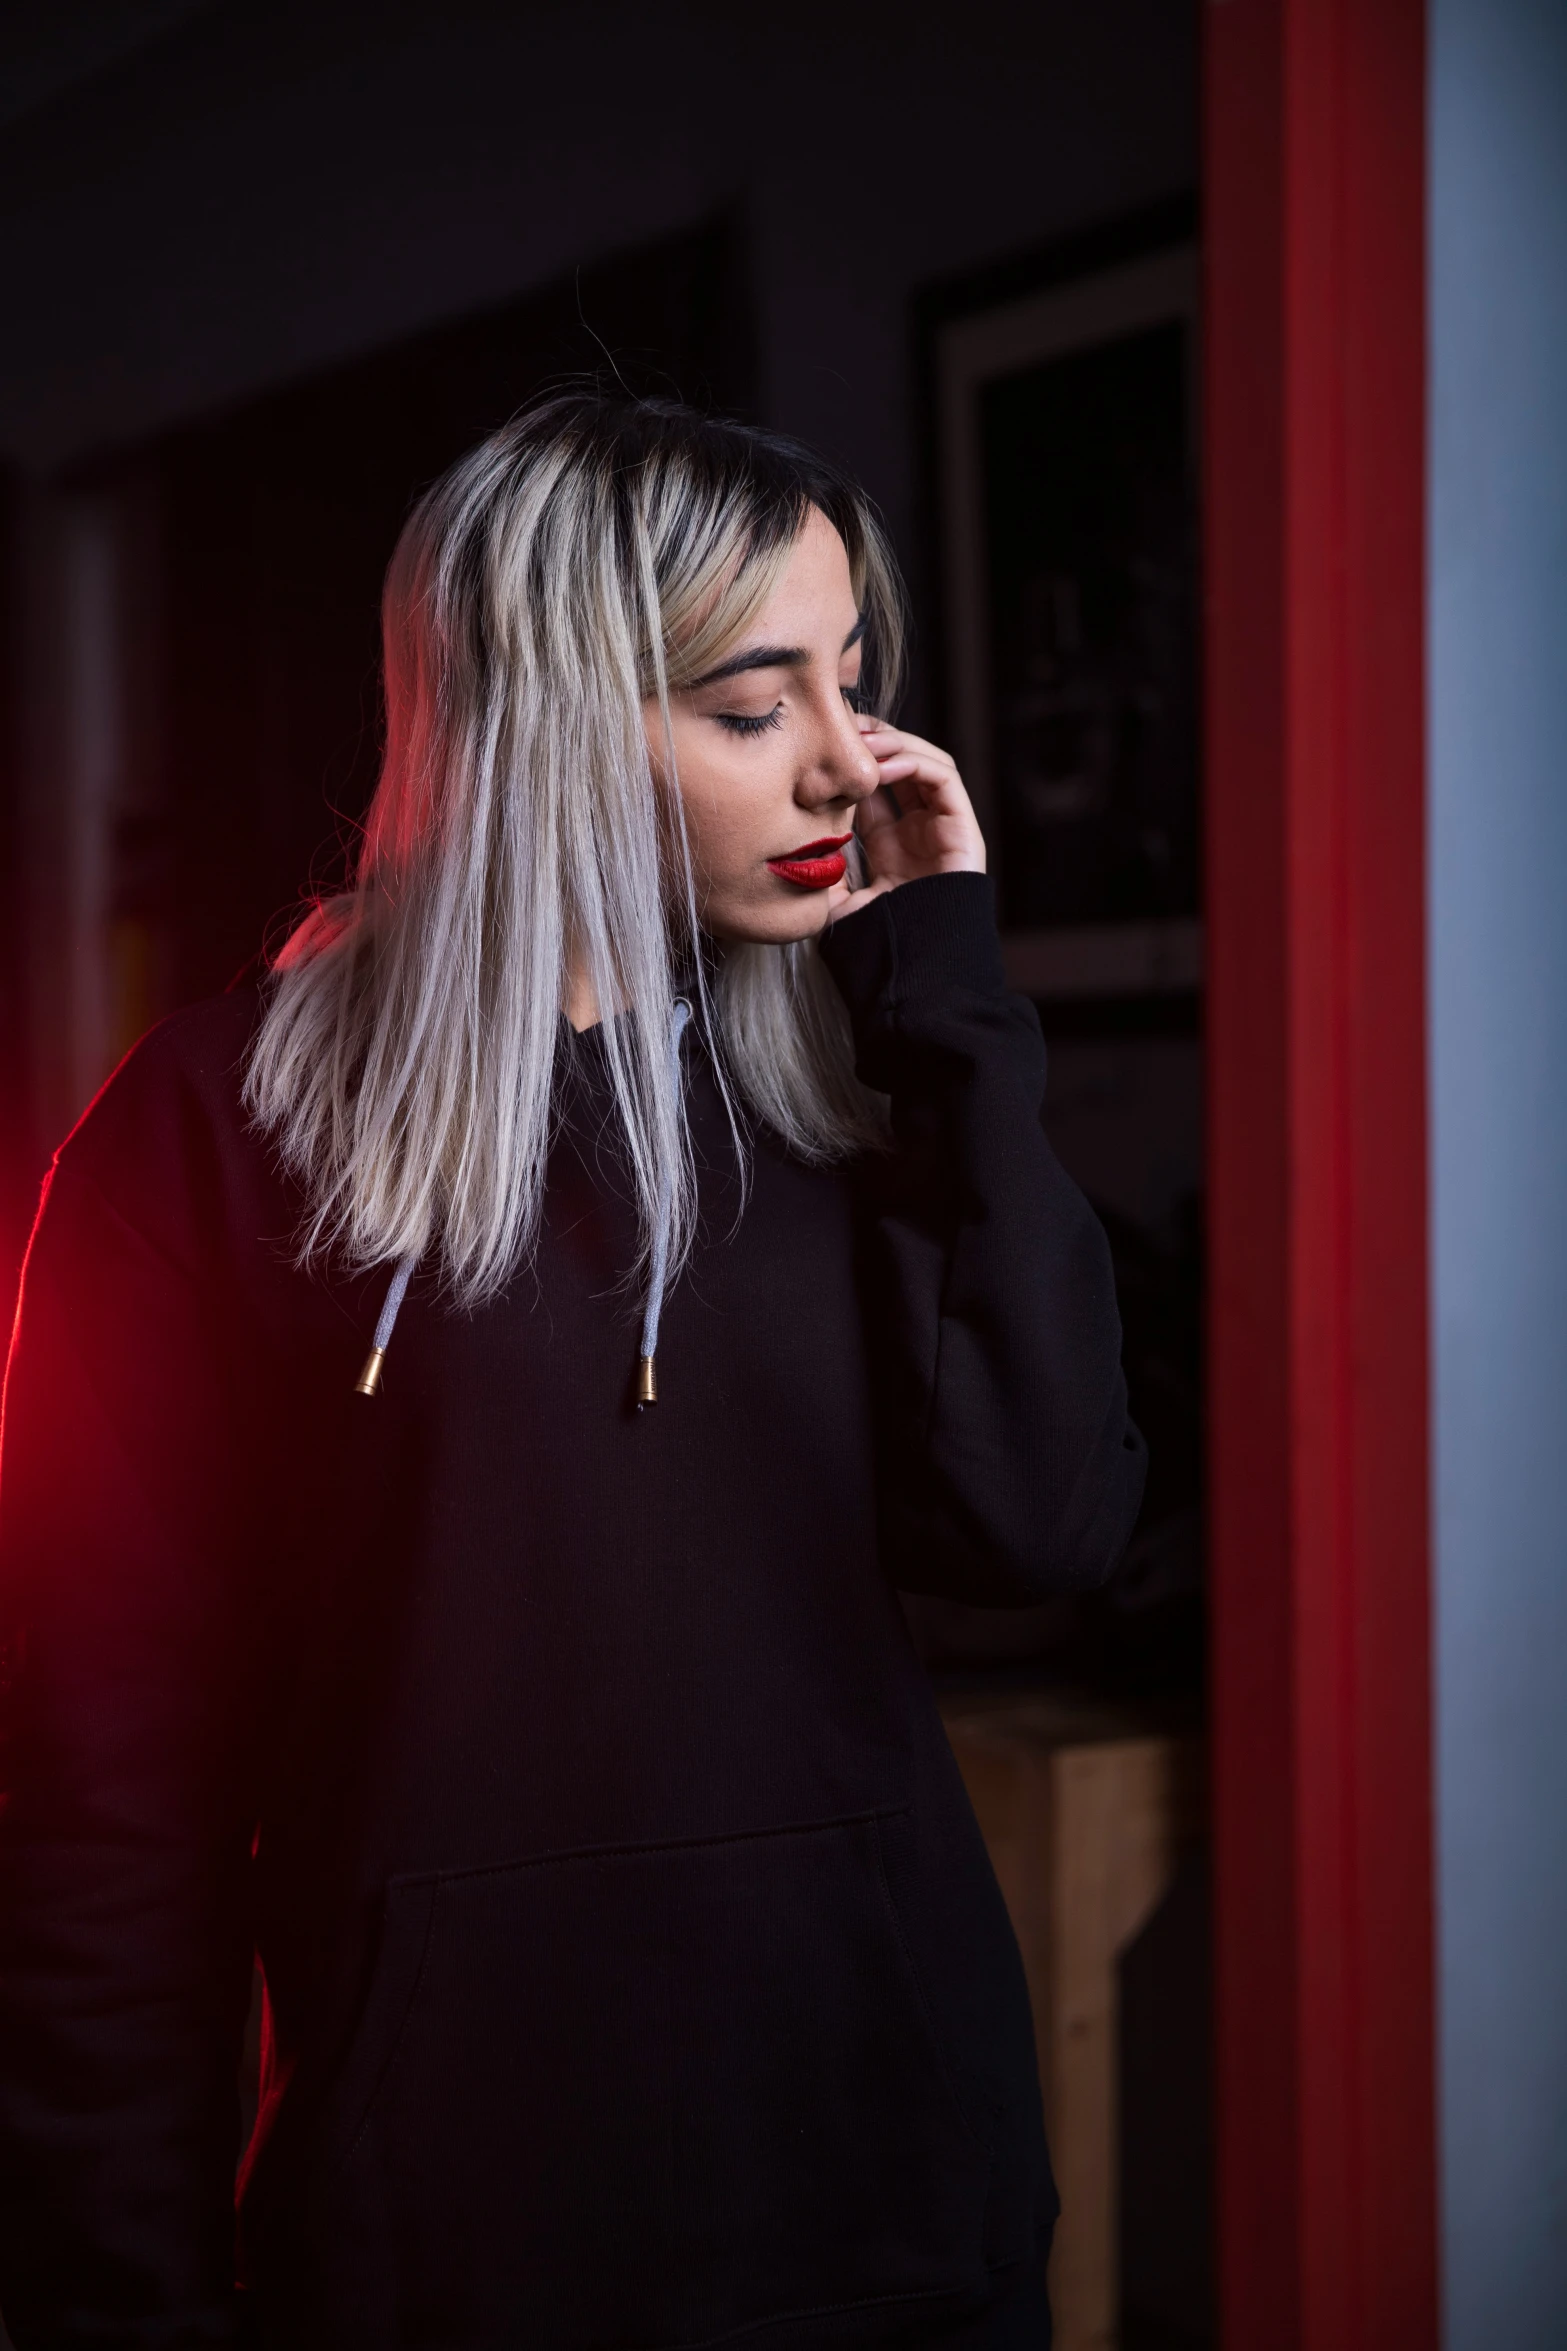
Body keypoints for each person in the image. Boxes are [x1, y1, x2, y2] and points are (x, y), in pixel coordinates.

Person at [0, 393, 1146, 2349]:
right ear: (545, 718)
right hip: (434, 2253)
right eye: (749, 699)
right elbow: (104, 1816)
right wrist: (125, 2297)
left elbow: (1046, 1521)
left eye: (849, 686)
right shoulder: (204, 1136)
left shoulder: (867, 1079)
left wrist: (950, 986)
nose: (846, 765)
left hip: (887, 2215)